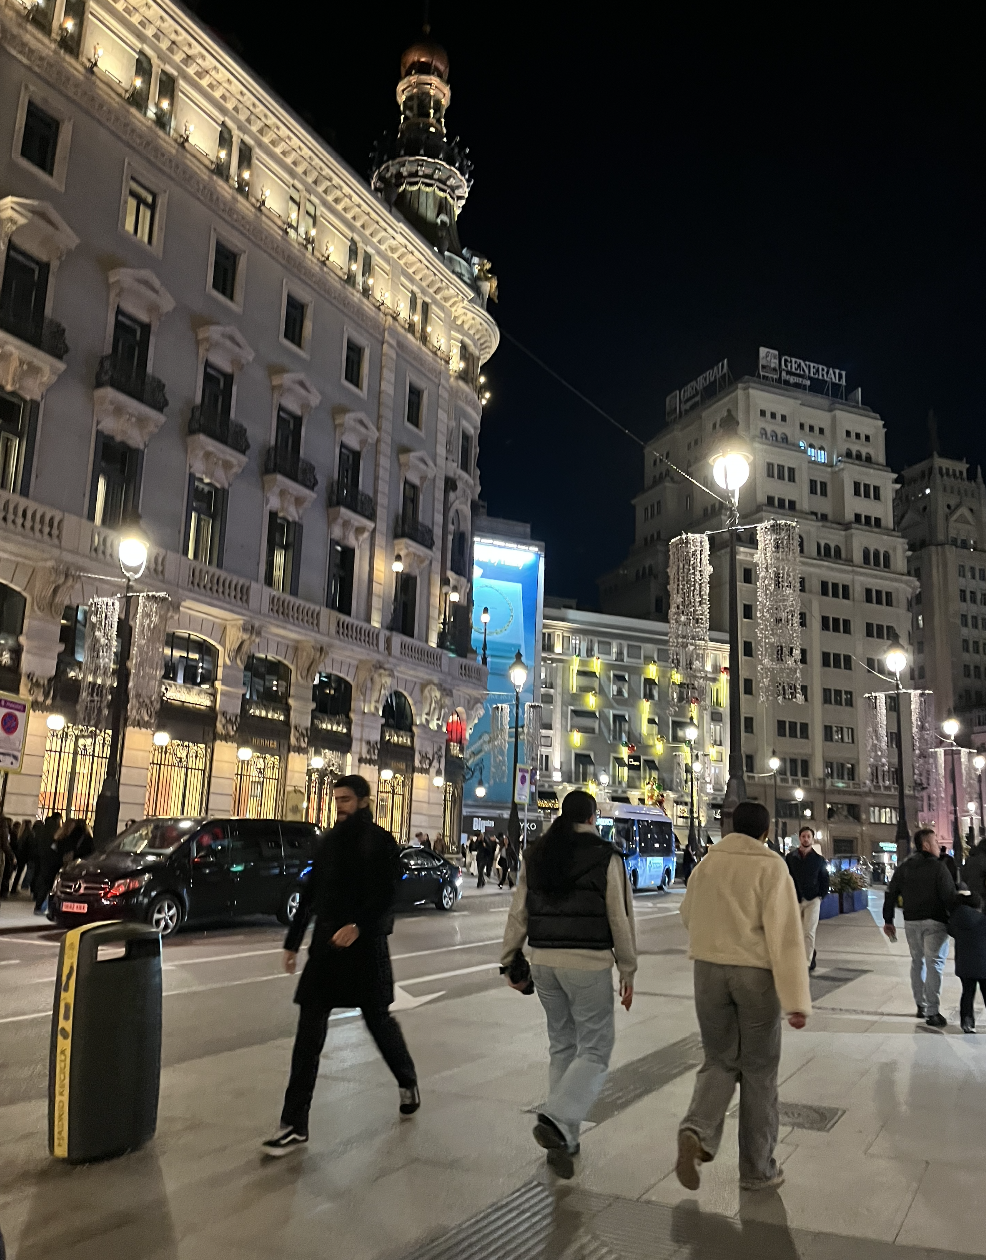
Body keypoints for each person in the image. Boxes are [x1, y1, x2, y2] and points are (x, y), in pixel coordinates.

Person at [262, 774, 418, 1156]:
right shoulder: (329, 841)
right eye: (337, 800)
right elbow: (310, 893)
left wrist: (359, 926)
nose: (340, 806)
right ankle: (294, 1124)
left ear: (364, 800)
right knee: (308, 1033)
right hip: (327, 949)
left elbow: (388, 895)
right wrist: (292, 942)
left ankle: (406, 1079)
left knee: (378, 1022)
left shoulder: (380, 842)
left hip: (366, 949)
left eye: (346, 799)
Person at [675, 800, 809, 1194]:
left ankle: (697, 1130)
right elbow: (785, 935)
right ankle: (757, 1169)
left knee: (719, 1058)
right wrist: (796, 1000)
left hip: (707, 970)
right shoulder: (771, 866)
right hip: (754, 975)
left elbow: (687, 913)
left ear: (732, 827)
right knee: (759, 1071)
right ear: (766, 832)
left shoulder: (708, 863)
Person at [501, 788, 636, 1179]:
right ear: (593, 818)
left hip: (544, 962)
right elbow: (619, 916)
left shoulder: (539, 853)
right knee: (596, 1047)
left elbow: (518, 911)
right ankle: (558, 1118)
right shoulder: (606, 856)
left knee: (562, 1044)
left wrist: (509, 958)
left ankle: (566, 1140)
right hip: (587, 962)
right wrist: (627, 968)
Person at [883, 827, 958, 1027]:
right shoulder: (939, 868)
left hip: (911, 922)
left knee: (918, 961)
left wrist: (888, 920)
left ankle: (921, 1005)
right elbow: (949, 897)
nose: (938, 846)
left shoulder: (905, 866)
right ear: (926, 845)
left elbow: (891, 892)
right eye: (935, 842)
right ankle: (932, 1012)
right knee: (934, 964)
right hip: (935, 922)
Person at [785, 825, 829, 973]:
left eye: (808, 836)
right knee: (795, 931)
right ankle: (801, 957)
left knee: (809, 931)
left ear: (812, 839)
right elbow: (786, 877)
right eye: (803, 836)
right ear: (799, 838)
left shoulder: (819, 860)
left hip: (813, 899)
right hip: (795, 898)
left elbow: (824, 879)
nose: (806, 839)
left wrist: (821, 896)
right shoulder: (791, 858)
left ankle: (806, 963)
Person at [947, 890, 986, 1033]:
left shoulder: (955, 920)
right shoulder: (982, 920)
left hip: (964, 964)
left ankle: (967, 1023)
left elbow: (951, 932)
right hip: (983, 963)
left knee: (967, 993)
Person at [32, 812, 62, 913]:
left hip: (42, 860)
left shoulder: (43, 830)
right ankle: (42, 906)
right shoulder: (54, 831)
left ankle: (39, 903)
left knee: (42, 881)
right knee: (47, 885)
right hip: (51, 861)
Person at [963, 834, 986, 903]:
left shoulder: (969, 859)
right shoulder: (983, 859)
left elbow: (964, 876)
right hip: (983, 892)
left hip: (972, 892)